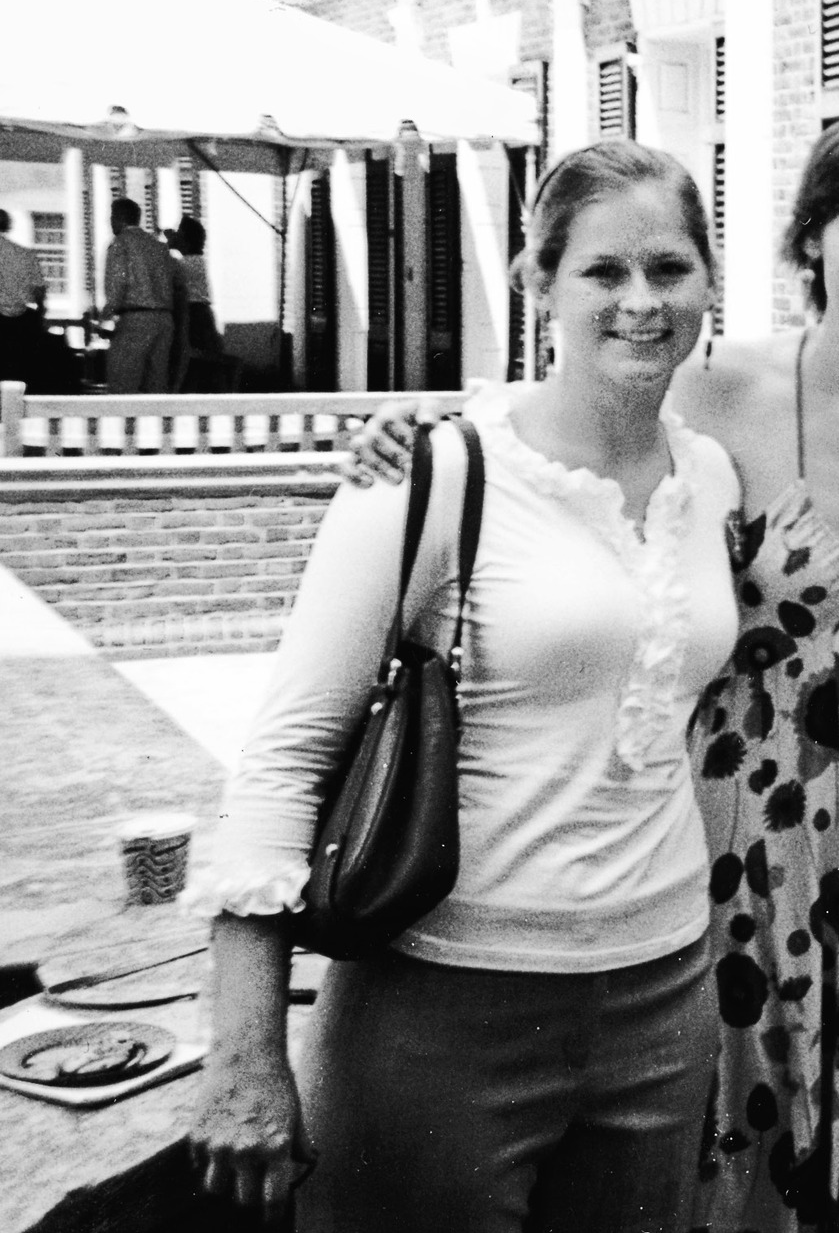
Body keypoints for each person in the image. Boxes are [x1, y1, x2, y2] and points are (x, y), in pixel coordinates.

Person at [350, 106, 839, 1232]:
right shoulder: (719, 392)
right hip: (744, 845)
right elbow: (561, 435)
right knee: (739, 1135)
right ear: (813, 241)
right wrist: (416, 437)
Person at [184, 141, 741, 1232]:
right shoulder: (431, 475)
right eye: (603, 272)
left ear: (709, 281)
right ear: (539, 284)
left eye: (671, 269)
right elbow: (286, 760)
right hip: (443, 1000)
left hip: (666, 992)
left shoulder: (711, 473)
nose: (641, 301)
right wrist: (244, 1053)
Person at [98, 197, 183, 393]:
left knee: (123, 383)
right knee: (155, 384)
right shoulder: (159, 247)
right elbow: (175, 281)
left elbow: (118, 284)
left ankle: (124, 424)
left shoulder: (120, 244)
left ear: (118, 217)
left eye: (111, 217)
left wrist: (106, 318)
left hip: (136, 319)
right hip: (164, 320)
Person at [0, 209, 47, 407]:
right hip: (22, 322)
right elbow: (39, 290)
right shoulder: (24, 253)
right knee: (20, 372)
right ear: (8, 225)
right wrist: (41, 314)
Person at [171, 214, 221, 390]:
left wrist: (167, 245)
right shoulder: (198, 261)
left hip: (193, 316)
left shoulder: (184, 264)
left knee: (191, 367)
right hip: (201, 314)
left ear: (186, 239)